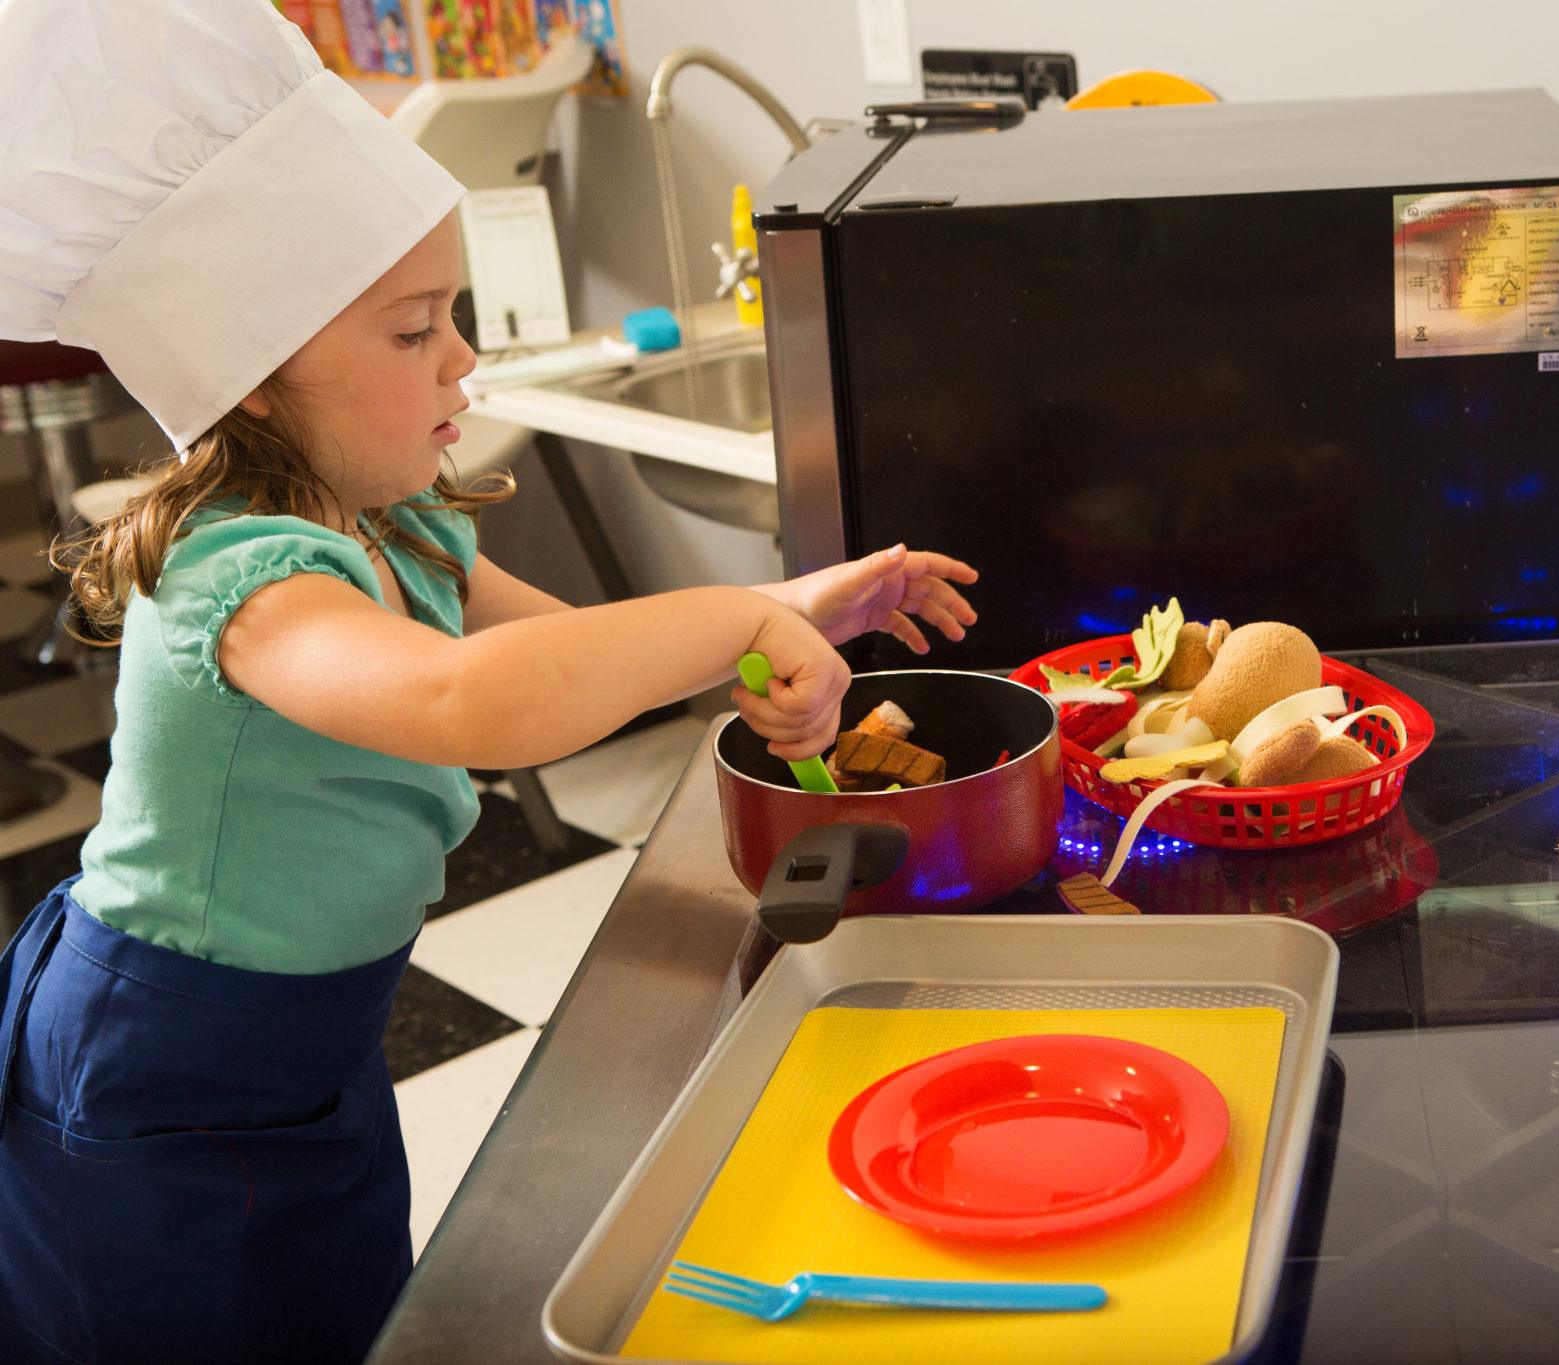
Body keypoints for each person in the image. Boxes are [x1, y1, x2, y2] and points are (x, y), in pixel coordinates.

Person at [0, 2, 975, 1359]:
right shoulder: (245, 583)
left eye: (449, 312)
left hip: (309, 1054)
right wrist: (734, 615)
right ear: (256, 384)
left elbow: (577, 654)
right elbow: (477, 701)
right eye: (411, 335)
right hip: (157, 1073)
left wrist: (792, 605)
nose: (464, 356)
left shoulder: (392, 523)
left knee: (337, 1321)